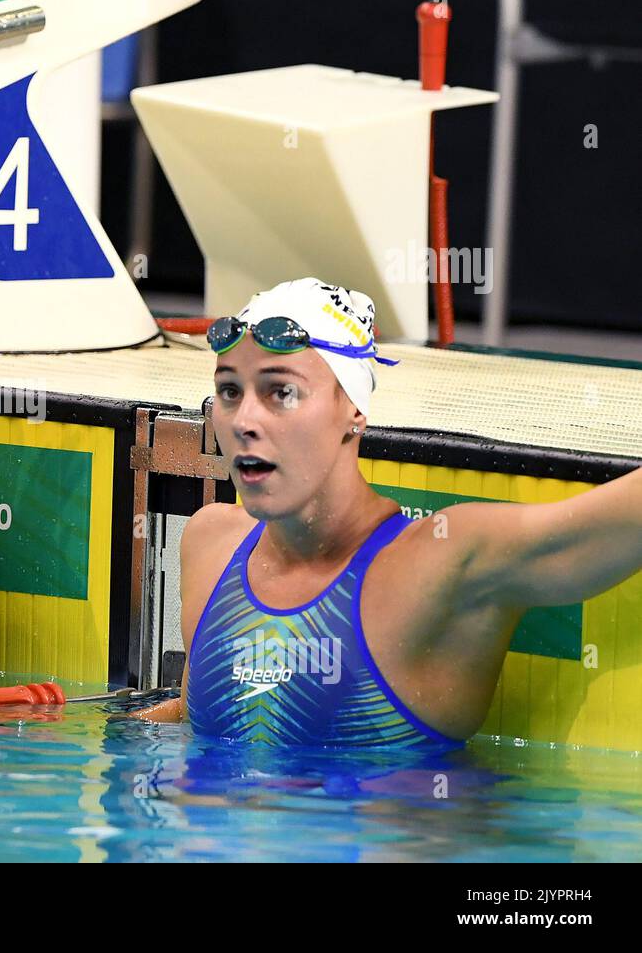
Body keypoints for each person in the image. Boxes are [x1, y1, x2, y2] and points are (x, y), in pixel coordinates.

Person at [135, 277, 642, 747]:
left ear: (353, 408)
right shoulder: (211, 543)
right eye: (229, 391)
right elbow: (198, 718)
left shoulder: (442, 563)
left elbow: (606, 527)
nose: (244, 419)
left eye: (281, 392)